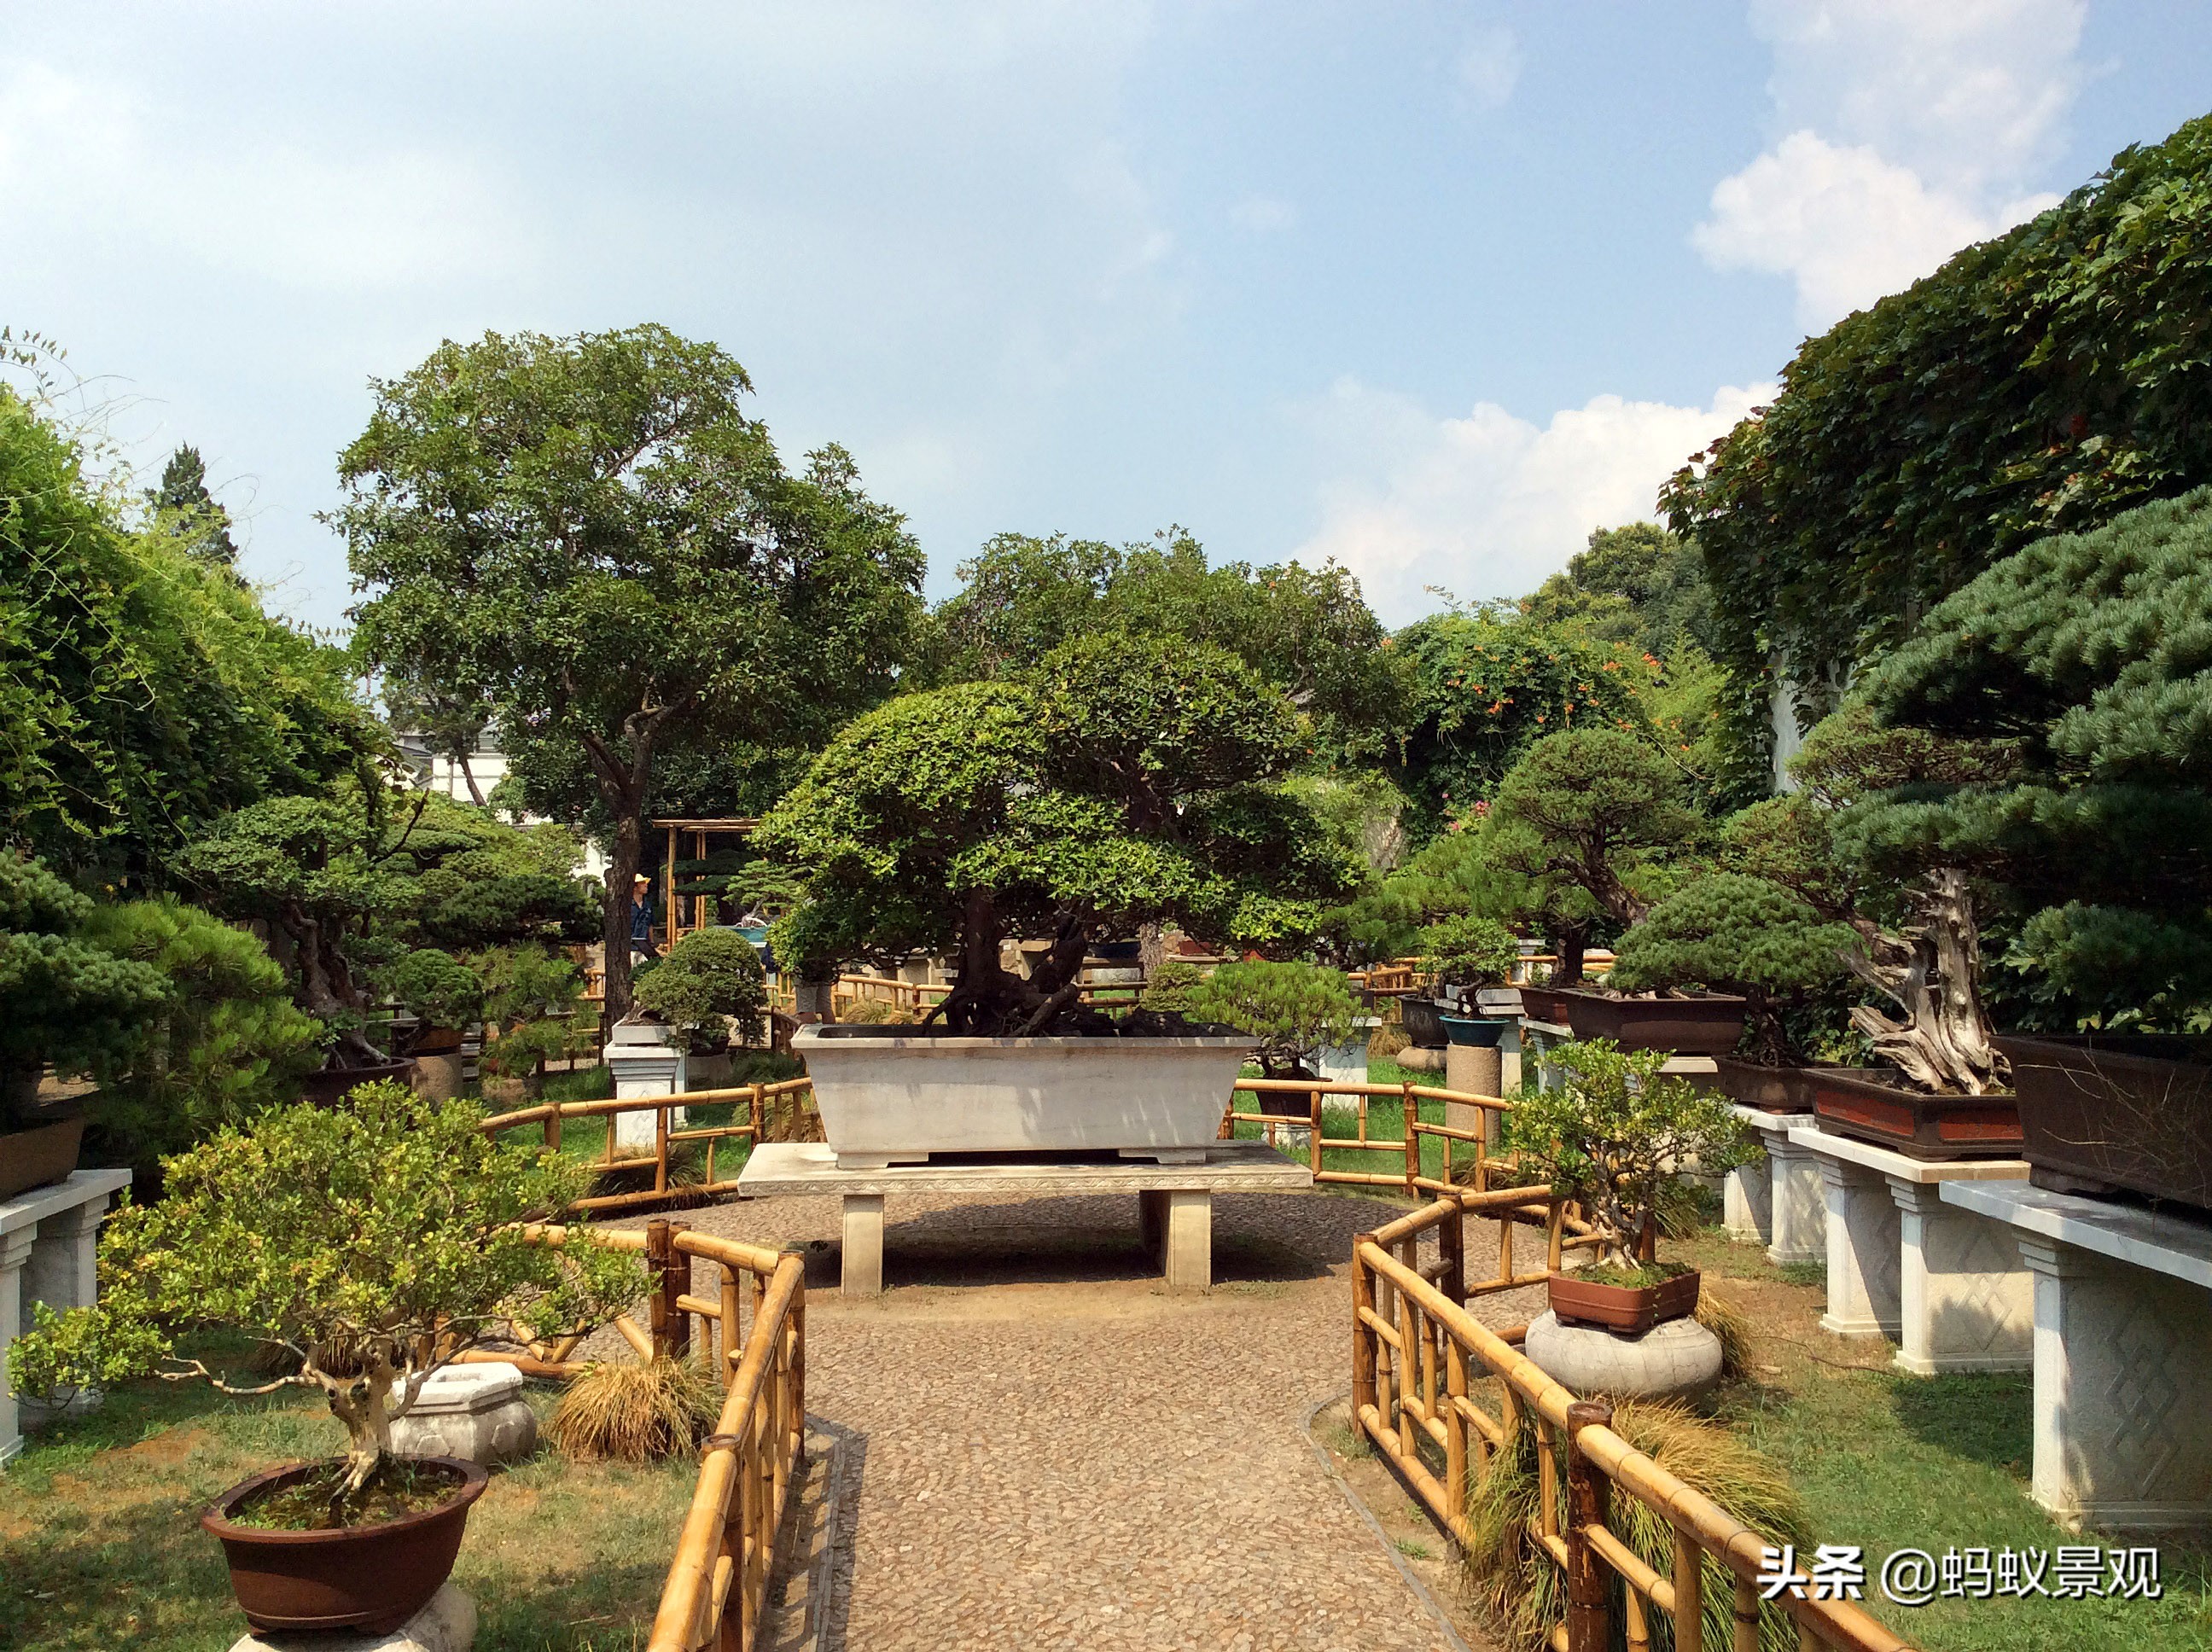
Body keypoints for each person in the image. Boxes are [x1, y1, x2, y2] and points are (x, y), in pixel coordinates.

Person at [629, 872, 659, 966]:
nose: (646, 885)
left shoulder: (648, 905)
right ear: (635, 887)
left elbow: (650, 925)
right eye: (642, 883)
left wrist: (652, 942)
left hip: (645, 948)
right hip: (630, 948)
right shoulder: (627, 906)